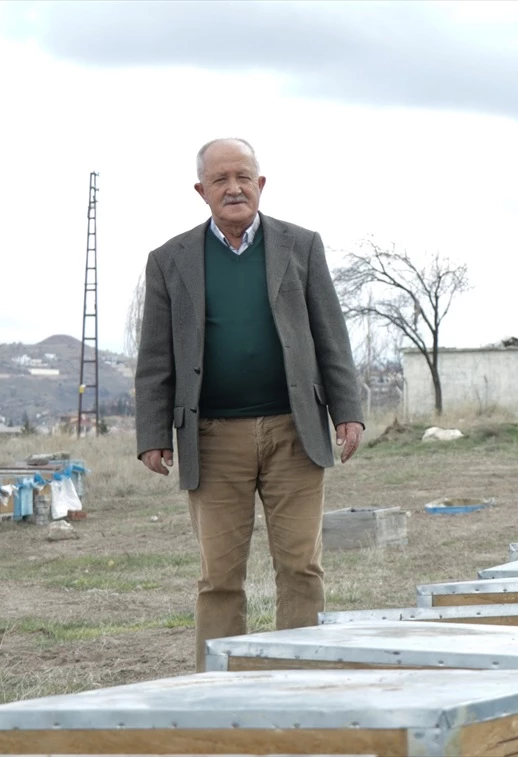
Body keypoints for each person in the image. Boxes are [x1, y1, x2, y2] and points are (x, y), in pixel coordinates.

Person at [135, 137, 364, 671]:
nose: (234, 187)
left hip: (295, 432)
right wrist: (151, 433)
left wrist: (346, 409)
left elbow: (331, 335)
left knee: (301, 568)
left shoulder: (301, 246)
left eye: (244, 177)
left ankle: (301, 684)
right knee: (219, 577)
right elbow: (154, 355)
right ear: (202, 191)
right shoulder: (170, 261)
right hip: (212, 440)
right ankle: (219, 693)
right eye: (221, 179)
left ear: (261, 184)